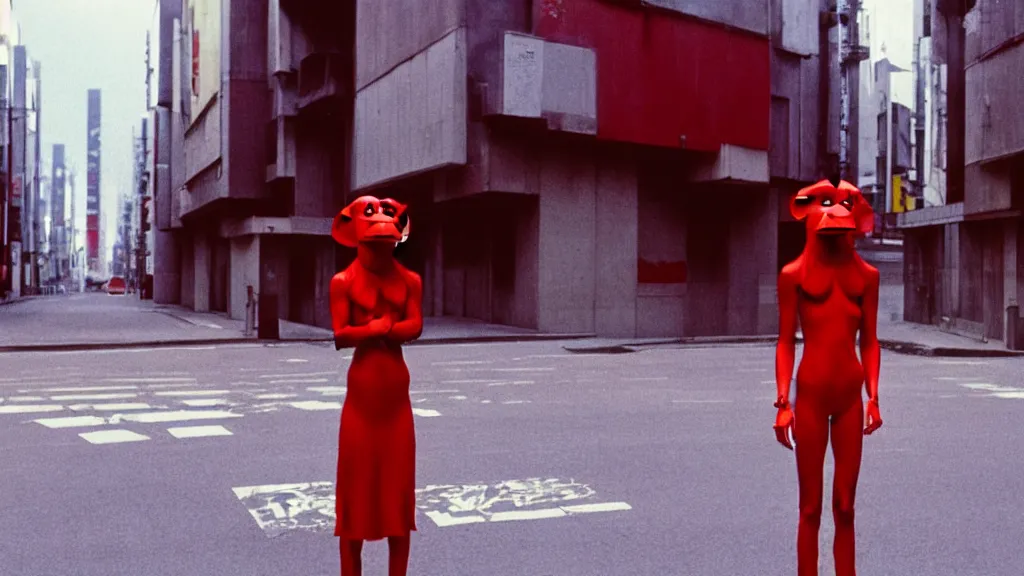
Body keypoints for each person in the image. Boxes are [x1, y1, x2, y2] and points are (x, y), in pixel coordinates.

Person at [774, 178, 883, 576]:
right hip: (812, 398)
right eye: (825, 202)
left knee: (846, 506)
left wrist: (874, 396)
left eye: (843, 203)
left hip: (850, 398)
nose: (834, 212)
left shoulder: (867, 277)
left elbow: (870, 341)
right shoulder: (794, 275)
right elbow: (785, 341)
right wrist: (783, 401)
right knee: (810, 508)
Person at [329, 195, 423, 576]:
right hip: (361, 408)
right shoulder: (344, 282)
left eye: (387, 213)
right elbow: (339, 334)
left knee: (397, 505)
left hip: (396, 408)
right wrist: (373, 330)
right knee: (355, 505)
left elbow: (415, 324)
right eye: (370, 213)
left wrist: (386, 329)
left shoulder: (410, 280)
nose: (381, 219)